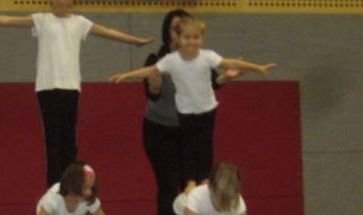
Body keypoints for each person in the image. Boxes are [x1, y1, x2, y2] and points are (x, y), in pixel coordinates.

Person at [0, 0, 154, 187]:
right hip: (47, 87)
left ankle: (71, 185)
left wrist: (135, 41)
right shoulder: (42, 20)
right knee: (53, 140)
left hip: (71, 87)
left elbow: (108, 32)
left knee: (69, 140)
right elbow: (6, 20)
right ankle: (54, 186)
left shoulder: (79, 23)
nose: (62, 1)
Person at [110, 15, 276, 190]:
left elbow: (231, 62)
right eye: (187, 37)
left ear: (202, 38)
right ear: (178, 38)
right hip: (186, 110)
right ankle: (190, 180)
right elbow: (150, 70)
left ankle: (204, 178)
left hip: (207, 108)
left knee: (205, 144)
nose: (191, 41)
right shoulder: (171, 60)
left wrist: (258, 68)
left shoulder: (207, 57)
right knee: (188, 145)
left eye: (196, 37)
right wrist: (126, 75)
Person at [142, 9, 243, 215]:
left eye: (189, 30)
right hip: (160, 130)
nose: (183, 35)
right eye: (176, 29)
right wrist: (155, 86)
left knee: (199, 184)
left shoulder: (200, 58)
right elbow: (151, 94)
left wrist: (227, 76)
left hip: (191, 128)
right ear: (171, 33)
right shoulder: (159, 59)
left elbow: (214, 83)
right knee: (169, 186)